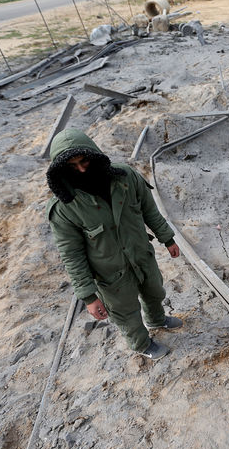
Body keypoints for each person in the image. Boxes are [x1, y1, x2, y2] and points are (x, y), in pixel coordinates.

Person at [46, 128, 181, 360]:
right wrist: (89, 296)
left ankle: (157, 319)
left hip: (141, 254)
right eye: (72, 166)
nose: (81, 169)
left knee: (154, 291)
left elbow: (150, 210)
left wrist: (167, 238)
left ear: (94, 155)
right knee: (125, 311)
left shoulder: (126, 178)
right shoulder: (64, 208)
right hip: (110, 273)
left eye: (84, 161)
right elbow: (72, 255)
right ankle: (141, 344)